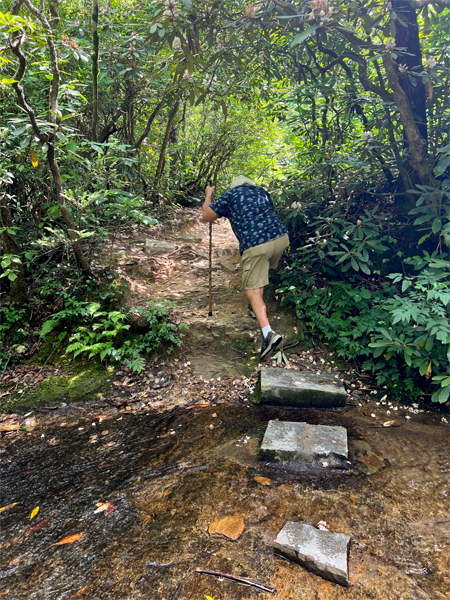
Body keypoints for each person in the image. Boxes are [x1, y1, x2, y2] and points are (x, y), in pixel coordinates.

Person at [202, 175, 289, 359]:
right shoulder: (261, 192)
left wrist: (209, 194)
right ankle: (254, 308)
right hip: (280, 238)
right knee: (260, 271)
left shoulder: (232, 195)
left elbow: (207, 216)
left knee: (252, 290)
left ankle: (268, 334)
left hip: (256, 244)